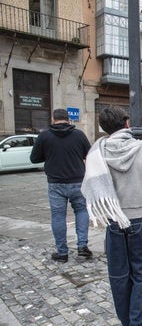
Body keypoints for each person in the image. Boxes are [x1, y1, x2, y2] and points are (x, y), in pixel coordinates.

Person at [81, 106, 142, 326]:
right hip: (139, 216)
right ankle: (138, 323)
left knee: (118, 273)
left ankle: (128, 323)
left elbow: (89, 186)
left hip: (112, 218)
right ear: (127, 123)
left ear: (104, 128)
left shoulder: (96, 153)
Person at [30, 108, 91, 263]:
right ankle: (82, 247)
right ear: (68, 120)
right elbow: (88, 154)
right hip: (78, 181)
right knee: (82, 211)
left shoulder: (44, 136)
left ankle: (62, 253)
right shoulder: (79, 135)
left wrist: (49, 154)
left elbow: (34, 159)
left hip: (56, 183)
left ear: (53, 119)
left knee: (58, 216)